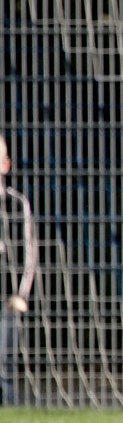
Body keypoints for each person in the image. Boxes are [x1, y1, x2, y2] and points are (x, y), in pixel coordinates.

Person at [0, 134, 38, 404]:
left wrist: (20, 294)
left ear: (6, 165)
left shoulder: (16, 203)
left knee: (4, 360)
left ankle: (8, 407)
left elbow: (29, 252)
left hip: (7, 294)